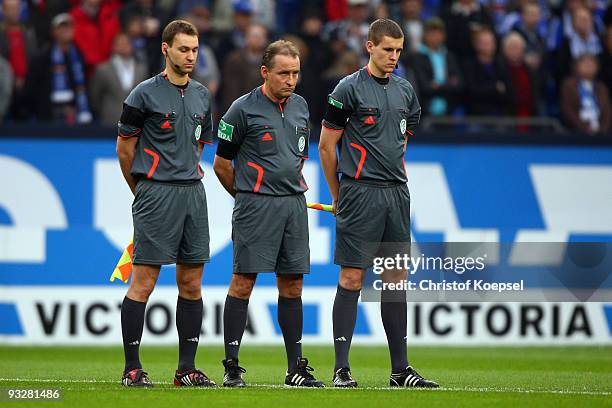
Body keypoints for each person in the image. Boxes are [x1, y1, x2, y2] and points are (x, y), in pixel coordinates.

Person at [318, 18, 439, 389]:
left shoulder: (406, 91)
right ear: (369, 47)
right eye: (388, 49)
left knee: (395, 279)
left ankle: (400, 371)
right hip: (359, 192)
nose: (394, 57)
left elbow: (405, 135)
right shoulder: (348, 89)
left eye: (399, 51)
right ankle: (341, 369)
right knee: (352, 277)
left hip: (397, 194)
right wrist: (339, 194)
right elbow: (326, 146)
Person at [213, 40, 324, 389]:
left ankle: (295, 368)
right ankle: (231, 365)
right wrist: (248, 196)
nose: (291, 80)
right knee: (243, 282)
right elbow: (221, 164)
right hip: (255, 206)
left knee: (292, 284)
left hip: (293, 205)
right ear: (265, 72)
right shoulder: (241, 110)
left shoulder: (302, 107)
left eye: (295, 73)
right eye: (283, 73)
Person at [116, 19, 216, 388]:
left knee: (191, 283)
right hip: (156, 193)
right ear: (166, 49)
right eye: (183, 49)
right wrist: (141, 190)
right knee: (144, 281)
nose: (190, 56)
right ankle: (131, 368)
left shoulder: (204, 95)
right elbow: (124, 148)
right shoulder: (143, 94)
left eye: (194, 49)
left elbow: (200, 145)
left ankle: (185, 369)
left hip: (193, 192)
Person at [22, 13, 93, 124]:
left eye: (69, 26)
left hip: (74, 116)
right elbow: (31, 89)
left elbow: (83, 86)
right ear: (54, 31)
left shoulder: (79, 57)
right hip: (48, 116)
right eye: (62, 27)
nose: (66, 30)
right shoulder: (42, 57)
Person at [89, 32, 148, 126]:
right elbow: (95, 97)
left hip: (136, 124)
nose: (124, 46)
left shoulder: (141, 69)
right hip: (110, 122)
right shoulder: (103, 69)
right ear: (114, 47)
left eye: (127, 43)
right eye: (120, 44)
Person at [560, 53, 611, 133]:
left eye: (591, 63)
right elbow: (567, 110)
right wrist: (584, 128)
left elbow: (607, 111)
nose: (589, 66)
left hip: (601, 132)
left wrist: (603, 129)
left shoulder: (601, 87)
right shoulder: (569, 85)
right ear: (576, 66)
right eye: (585, 63)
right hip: (577, 131)